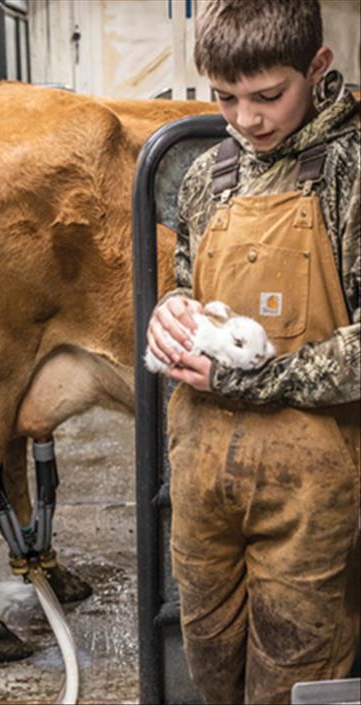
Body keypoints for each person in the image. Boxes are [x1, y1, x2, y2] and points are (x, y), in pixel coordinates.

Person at [146, 1, 360, 703]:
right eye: (224, 97)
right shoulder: (207, 175)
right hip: (204, 481)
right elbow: (188, 284)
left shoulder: (350, 169)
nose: (245, 117)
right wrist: (170, 313)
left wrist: (254, 380)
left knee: (293, 683)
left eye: (269, 95)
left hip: (310, 495)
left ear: (318, 67)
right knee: (209, 671)